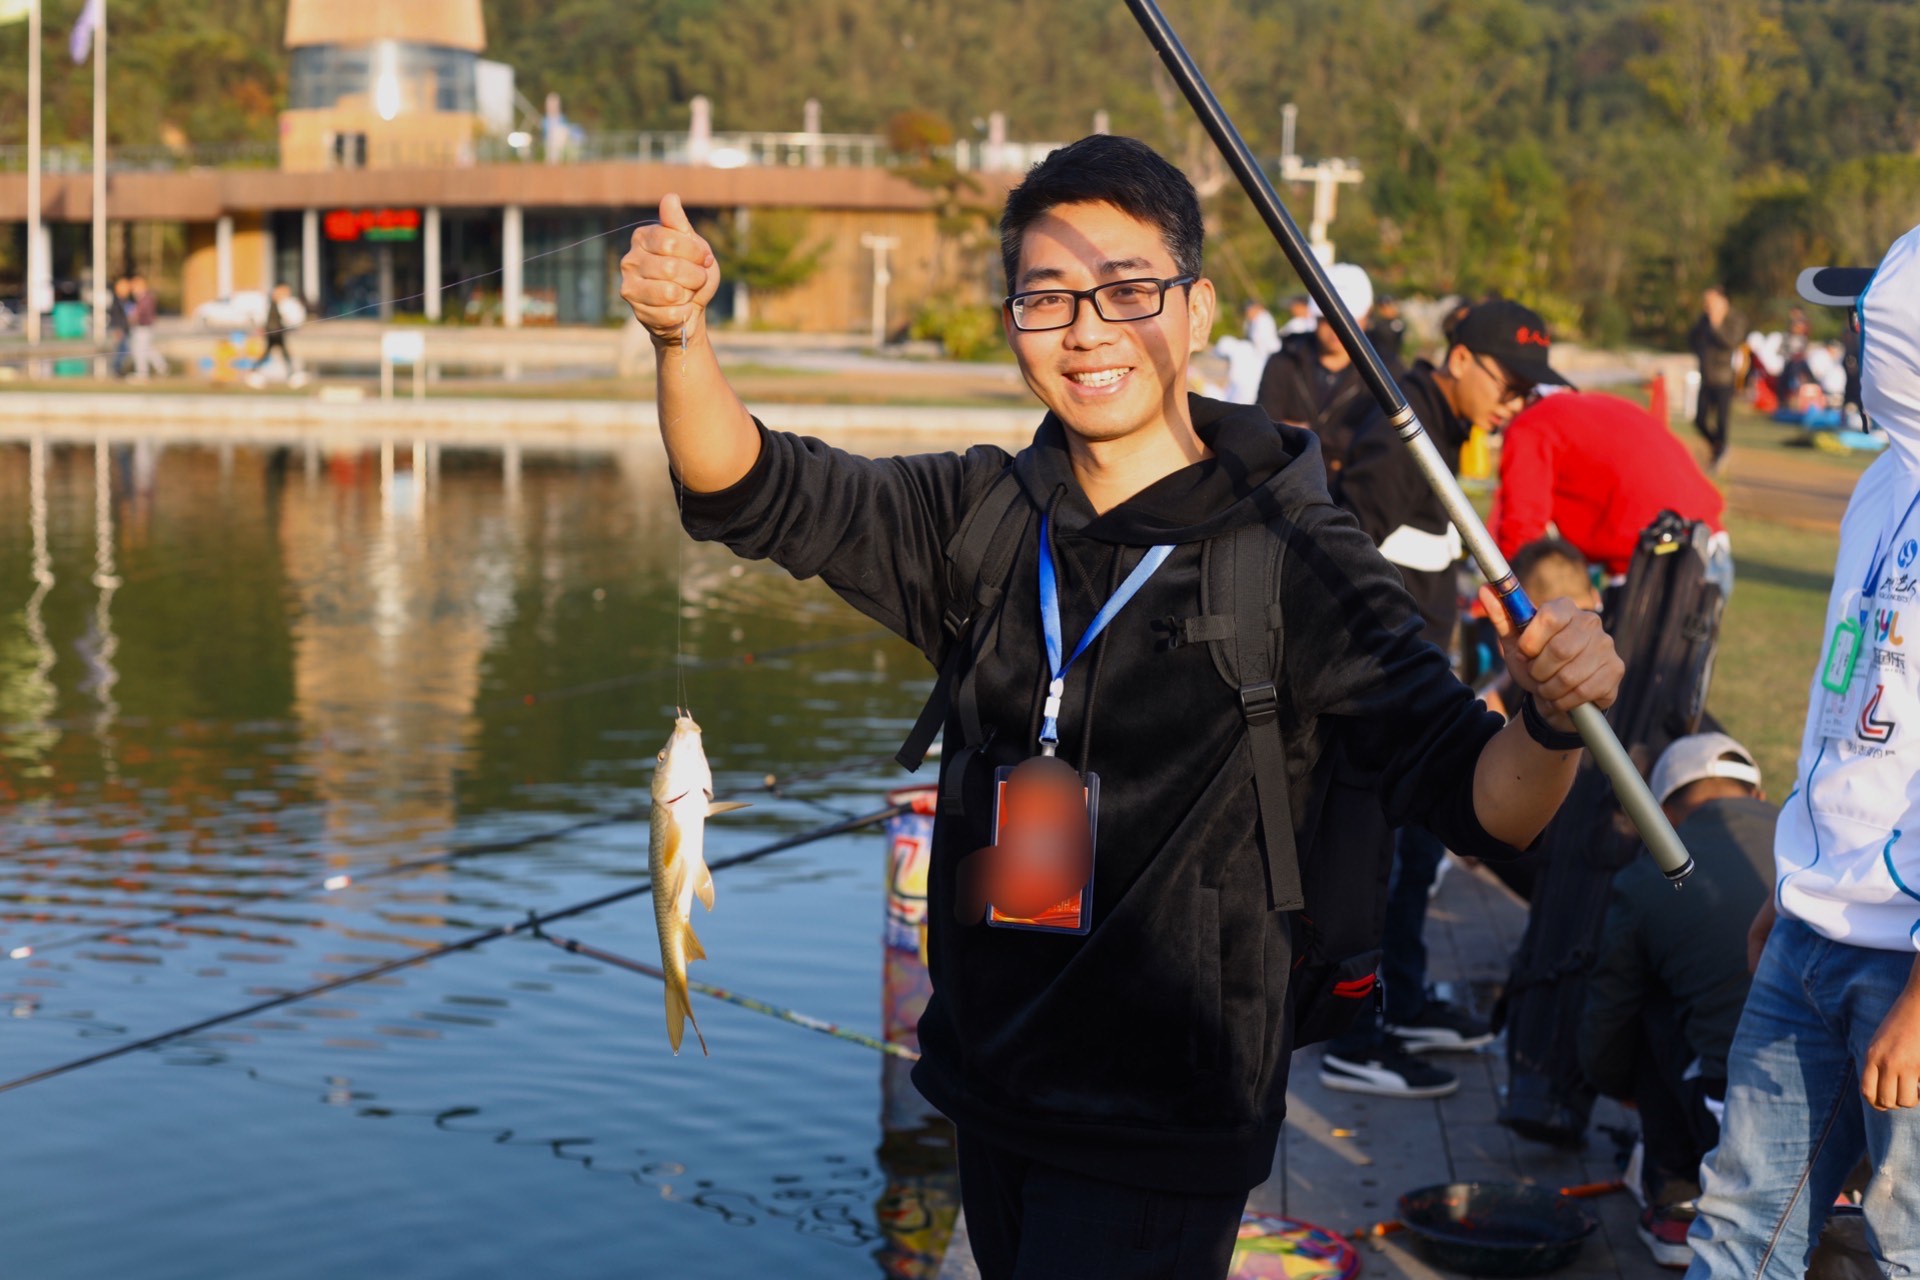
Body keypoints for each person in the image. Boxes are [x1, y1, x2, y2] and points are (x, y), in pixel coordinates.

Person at [621, 134, 1625, 1280]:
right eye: (1047, 298)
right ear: (1014, 325)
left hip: (1167, 1114)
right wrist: (681, 337)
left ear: (1195, 312)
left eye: (1127, 291)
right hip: (991, 1081)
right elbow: (751, 483)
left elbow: (1487, 797)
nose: (1088, 328)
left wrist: (1550, 715)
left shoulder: (1301, 553)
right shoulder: (984, 516)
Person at [1685, 223, 1920, 1278]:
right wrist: (1800, 871)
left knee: (1905, 1245)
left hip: (1908, 959)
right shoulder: (1882, 481)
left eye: (1872, 319)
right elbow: (1851, 694)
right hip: (1815, 927)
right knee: (1743, 1224)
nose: (1858, 341)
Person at [1578, 733, 1774, 1268]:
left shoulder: (1646, 880)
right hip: (1876, 1104)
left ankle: (1677, 1200)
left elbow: (1608, 1019)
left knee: (1645, 1000)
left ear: (1659, 814)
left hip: (1740, 1116)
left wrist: (1617, 1085)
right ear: (1757, 796)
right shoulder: (1818, 841)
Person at [1492, 391, 1727, 580]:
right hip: (1709, 542)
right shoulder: (1586, 406)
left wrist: (1501, 593)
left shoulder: (1530, 426)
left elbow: (1522, 529)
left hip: (1663, 562)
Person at [1254, 262, 1399, 477]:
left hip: (1354, 491)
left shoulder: (1386, 373)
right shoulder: (1283, 361)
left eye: (1349, 320)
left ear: (1367, 316)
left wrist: (1305, 433)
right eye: (1327, 318)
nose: (1337, 328)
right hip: (1289, 483)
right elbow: (1263, 428)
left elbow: (1381, 441)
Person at [1688, 287, 1743, 468]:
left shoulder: (1734, 319)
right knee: (1699, 419)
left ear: (1723, 301)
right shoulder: (1704, 320)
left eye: (1711, 301)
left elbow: (1730, 342)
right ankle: (1718, 448)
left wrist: (1717, 324)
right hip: (1706, 375)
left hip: (1724, 377)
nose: (1707, 305)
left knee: (1722, 420)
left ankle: (1720, 451)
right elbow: (1692, 339)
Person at [128, 274, 166, 380]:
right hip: (143, 328)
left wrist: (132, 316)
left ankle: (142, 373)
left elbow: (140, 314)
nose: (133, 290)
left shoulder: (146, 298)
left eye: (134, 287)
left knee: (140, 350)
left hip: (143, 328)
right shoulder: (142, 298)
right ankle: (161, 367)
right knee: (147, 349)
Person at [1367, 294, 1406, 363]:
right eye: (1382, 307)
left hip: (1391, 361)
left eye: (1387, 306)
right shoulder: (1376, 324)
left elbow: (1388, 334)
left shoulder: (1397, 324)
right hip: (1377, 359)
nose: (1385, 310)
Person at [106, 276, 132, 378]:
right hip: (119, 330)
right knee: (120, 351)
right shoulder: (116, 300)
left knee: (124, 351)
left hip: (124, 330)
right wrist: (117, 330)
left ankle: (118, 371)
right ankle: (116, 371)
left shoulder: (124, 299)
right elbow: (115, 316)